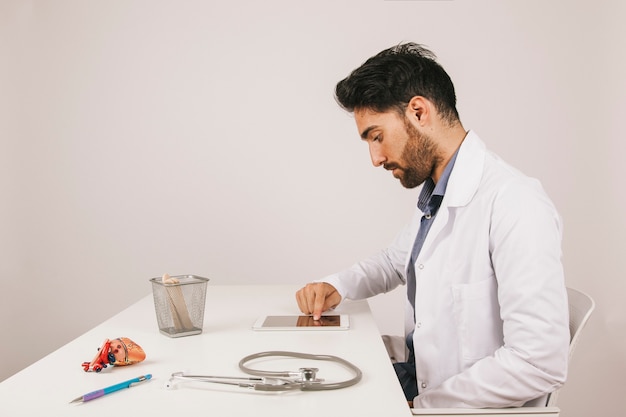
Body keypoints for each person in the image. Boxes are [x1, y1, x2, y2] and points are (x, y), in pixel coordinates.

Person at [295, 42, 570, 409]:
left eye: (377, 136)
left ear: (419, 112)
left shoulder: (515, 203)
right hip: (419, 380)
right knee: (302, 382)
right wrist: (337, 285)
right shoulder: (438, 194)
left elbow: (539, 362)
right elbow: (396, 261)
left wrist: (424, 408)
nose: (375, 158)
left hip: (452, 405)